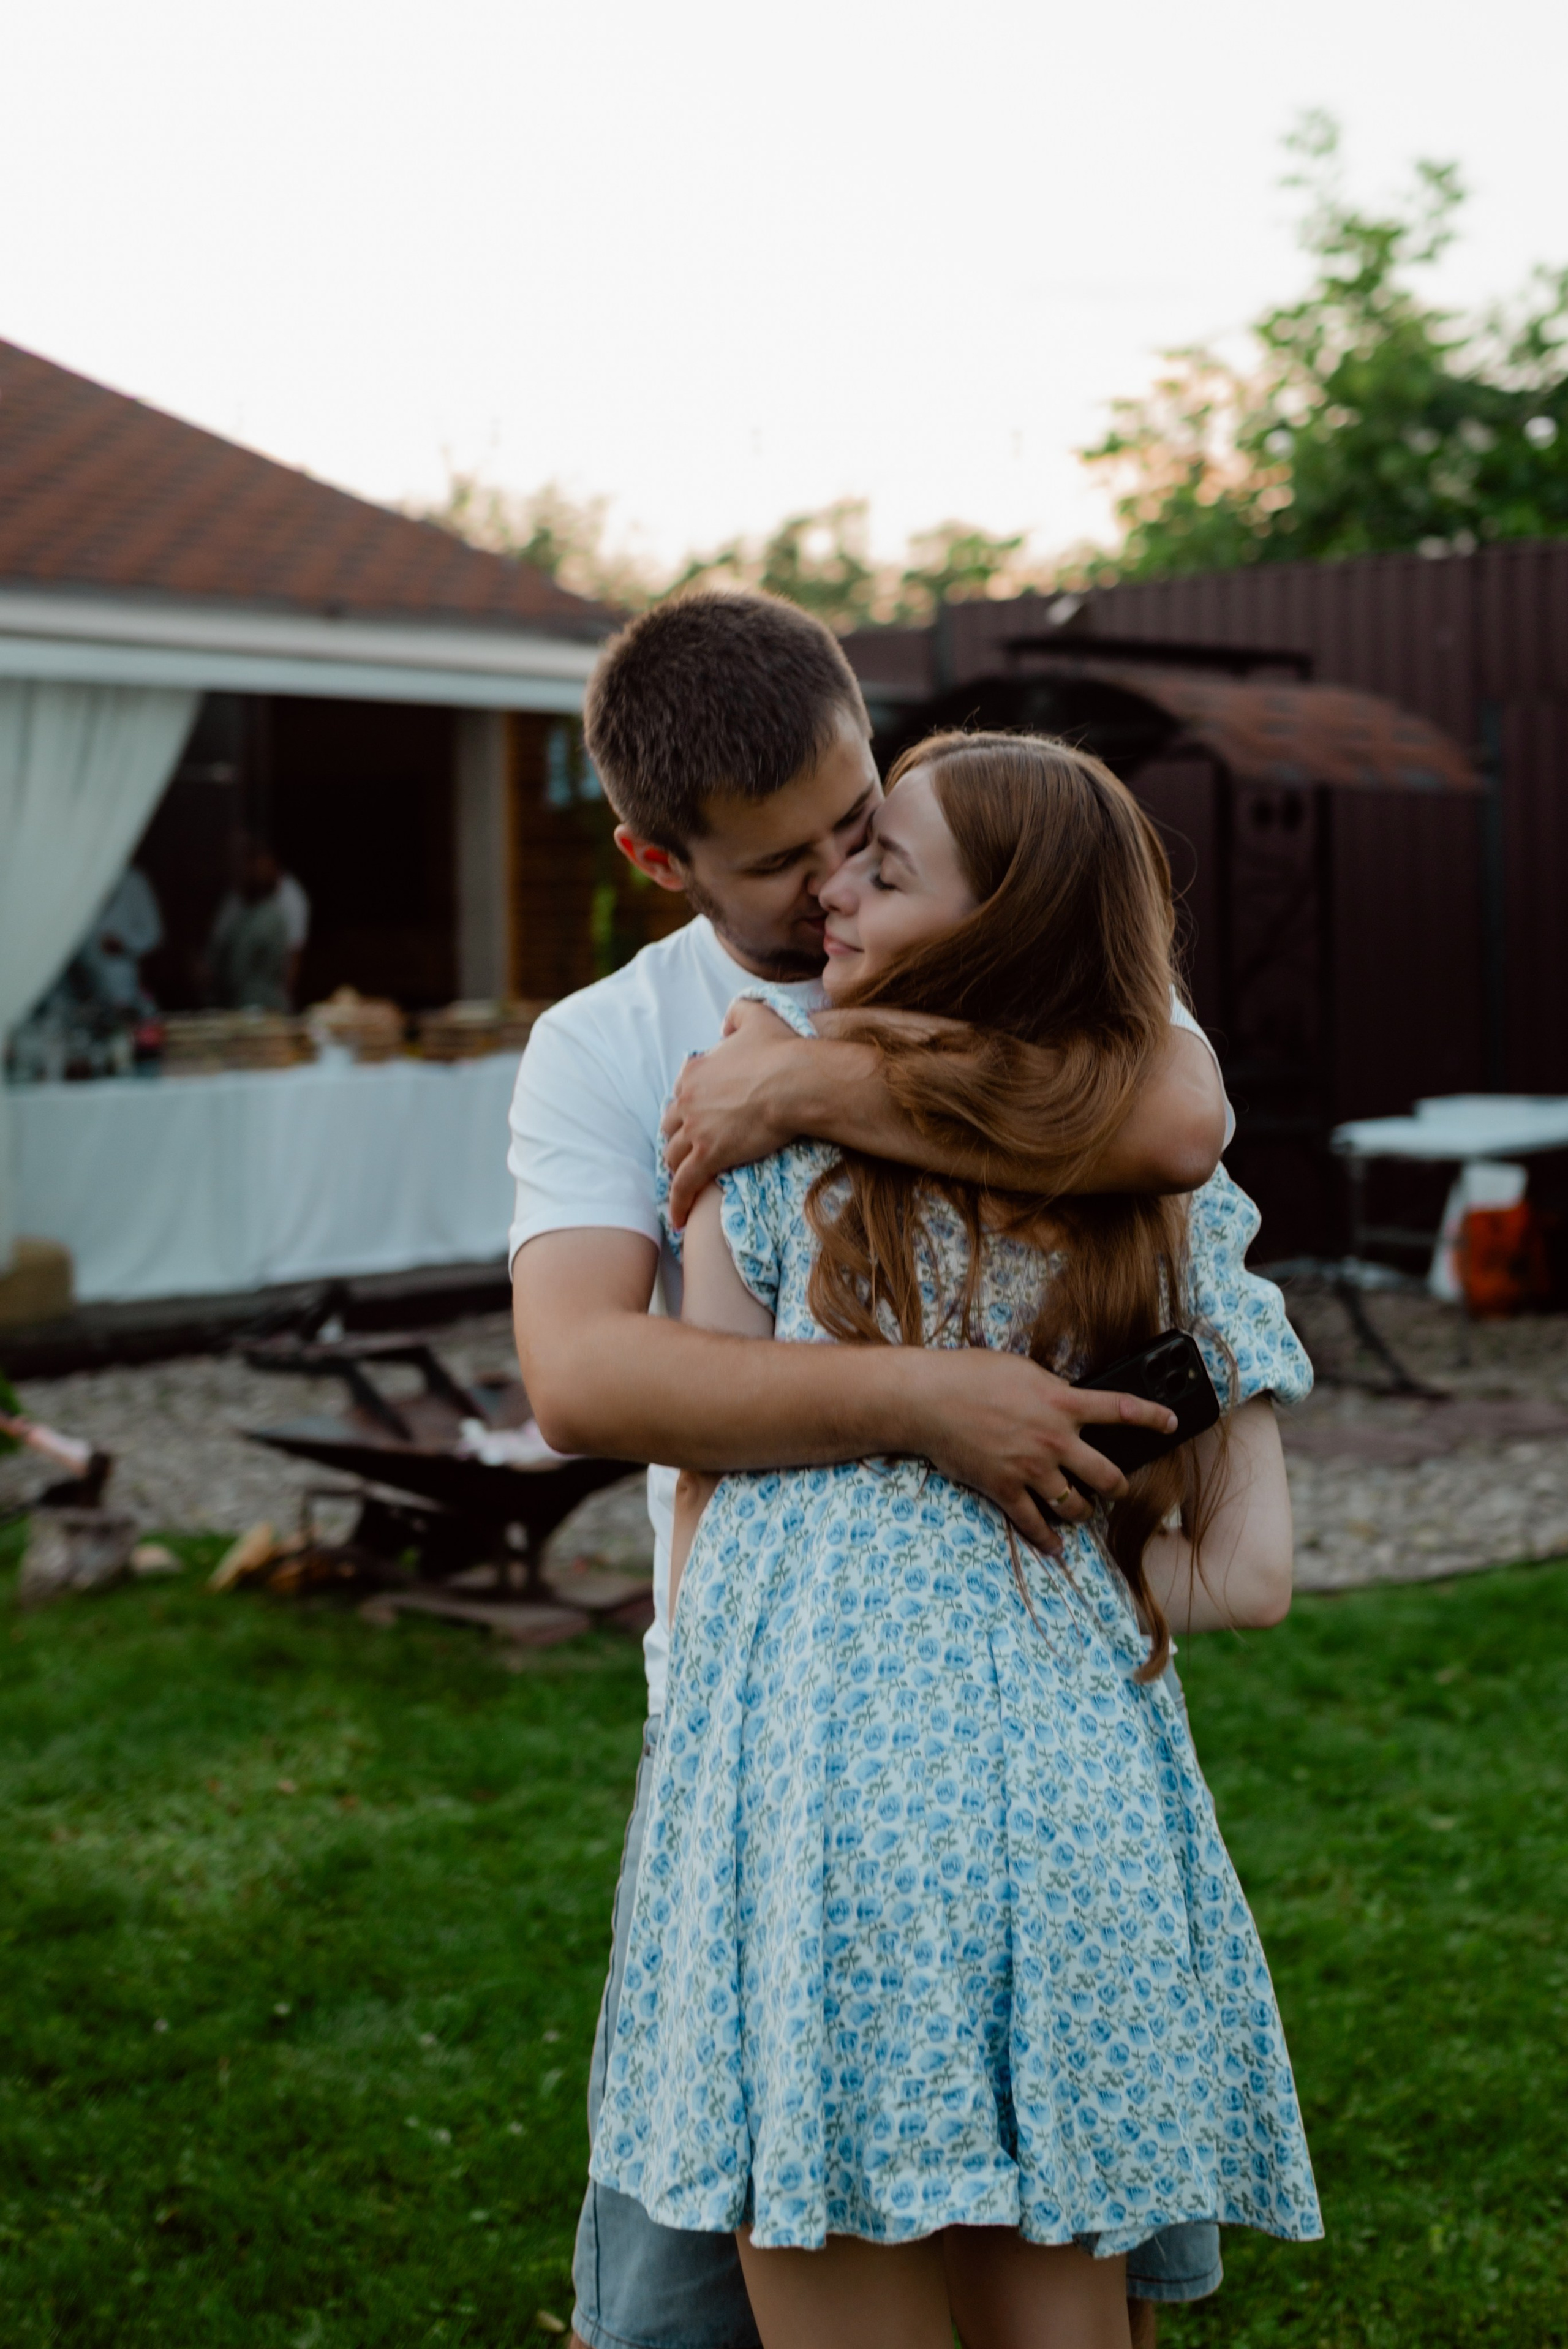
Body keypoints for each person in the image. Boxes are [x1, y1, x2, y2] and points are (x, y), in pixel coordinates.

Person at [508, 591, 1234, 2349]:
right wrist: (925, 1397)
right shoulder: (610, 1041)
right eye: (782, 861)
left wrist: (805, 1093)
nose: (836, 878)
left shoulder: (1012, 953)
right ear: (658, 858)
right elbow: (585, 1373)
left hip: (1033, 1717)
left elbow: (1176, 1118)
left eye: (857, 821)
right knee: (708, 2274)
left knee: (1054, 2224)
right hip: (770, 1732)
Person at [206, 834, 311, 1012]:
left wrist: (283, 997)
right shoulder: (238, 899)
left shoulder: (286, 904)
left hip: (267, 998)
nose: (253, 872)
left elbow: (294, 955)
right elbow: (218, 947)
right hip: (234, 998)